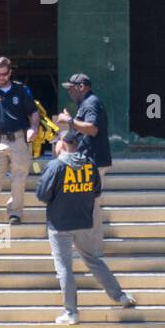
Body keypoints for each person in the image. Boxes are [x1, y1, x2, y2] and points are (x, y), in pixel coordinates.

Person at [35, 129, 136, 326]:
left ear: (63, 144)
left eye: (57, 142)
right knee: (93, 261)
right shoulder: (89, 164)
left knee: (64, 268)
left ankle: (71, 312)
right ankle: (120, 296)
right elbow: (96, 192)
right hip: (83, 221)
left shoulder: (55, 166)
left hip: (60, 224)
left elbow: (42, 194)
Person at [0, 57, 40, 225]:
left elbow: (34, 113)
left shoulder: (21, 90)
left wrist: (34, 128)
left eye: (5, 74)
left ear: (10, 72)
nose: (2, 77)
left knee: (19, 178)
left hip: (18, 139)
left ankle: (15, 213)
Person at [57, 73, 112, 247]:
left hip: (94, 162)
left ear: (81, 87)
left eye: (71, 88)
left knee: (92, 207)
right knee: (88, 205)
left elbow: (92, 128)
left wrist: (69, 120)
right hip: (87, 161)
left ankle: (94, 249)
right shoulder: (85, 104)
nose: (69, 92)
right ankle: (89, 247)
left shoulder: (91, 102)